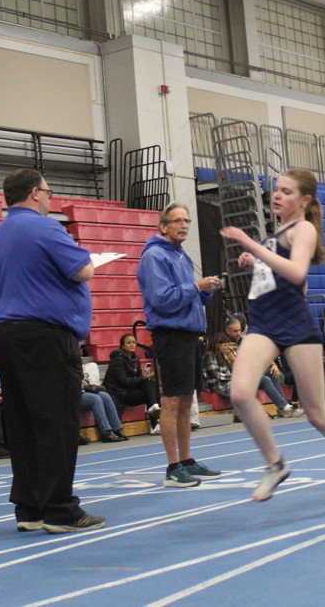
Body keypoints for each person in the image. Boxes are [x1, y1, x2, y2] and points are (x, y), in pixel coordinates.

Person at [221, 169, 325, 508]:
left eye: (286, 191)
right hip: (263, 322)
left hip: (295, 326)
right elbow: (282, 277)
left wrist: (250, 245)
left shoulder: (303, 229)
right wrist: (254, 264)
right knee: (240, 393)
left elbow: (297, 274)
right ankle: (275, 463)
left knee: (316, 413)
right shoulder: (277, 232)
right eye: (276, 189)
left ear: (304, 200)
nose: (277, 195)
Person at [0, 169, 104, 534]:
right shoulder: (46, 227)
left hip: (8, 334)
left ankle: (30, 507)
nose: (51, 199)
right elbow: (84, 270)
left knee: (22, 424)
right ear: (35, 193)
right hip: (45, 337)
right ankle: (59, 509)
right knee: (56, 424)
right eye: (49, 192)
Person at [137, 202, 223, 488]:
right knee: (173, 400)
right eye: (177, 221)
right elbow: (163, 299)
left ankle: (186, 460)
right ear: (163, 226)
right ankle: (173, 467)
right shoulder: (155, 256)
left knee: (187, 398)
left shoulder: (181, 255)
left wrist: (207, 290)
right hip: (171, 335)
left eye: (187, 221)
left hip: (188, 335)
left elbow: (188, 296)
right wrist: (197, 287)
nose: (184, 225)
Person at [203, 332, 301, 418]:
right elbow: (215, 374)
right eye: (224, 345)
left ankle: (284, 407)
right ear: (217, 344)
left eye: (227, 345)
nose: (226, 348)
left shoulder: (223, 354)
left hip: (231, 380)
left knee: (265, 379)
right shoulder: (210, 355)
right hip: (219, 384)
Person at [103, 334, 161, 433]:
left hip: (130, 390)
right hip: (120, 393)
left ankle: (154, 412)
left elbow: (138, 378)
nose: (132, 344)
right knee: (150, 392)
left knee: (150, 384)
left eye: (134, 342)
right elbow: (123, 382)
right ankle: (155, 423)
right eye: (129, 342)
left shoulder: (135, 358)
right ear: (122, 346)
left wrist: (145, 377)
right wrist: (141, 378)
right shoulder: (117, 359)